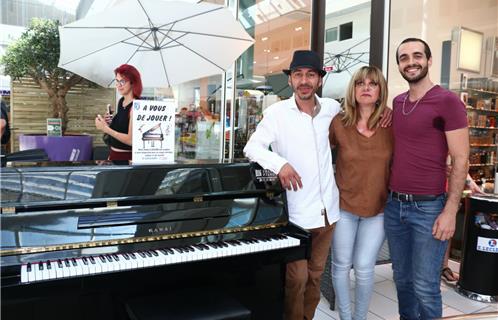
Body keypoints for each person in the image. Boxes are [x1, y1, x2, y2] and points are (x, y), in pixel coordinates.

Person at [244, 50, 341, 320]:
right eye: (298, 75)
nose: (304, 80)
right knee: (296, 279)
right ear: (291, 80)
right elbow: (252, 147)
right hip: (296, 214)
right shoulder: (277, 113)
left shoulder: (332, 109)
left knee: (315, 277)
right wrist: (280, 164)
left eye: (310, 74)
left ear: (319, 80)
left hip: (327, 212)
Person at [385, 38, 469, 319]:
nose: (411, 62)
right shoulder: (397, 103)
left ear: (429, 60)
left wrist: (450, 211)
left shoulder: (448, 101)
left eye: (417, 56)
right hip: (395, 206)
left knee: (425, 285)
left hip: (429, 208)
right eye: (404, 57)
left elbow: (460, 159)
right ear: (399, 64)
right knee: (402, 281)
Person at [329, 66, 392, 320]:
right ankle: (346, 317)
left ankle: (360, 318)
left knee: (365, 267)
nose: (366, 88)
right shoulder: (338, 123)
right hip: (343, 206)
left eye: (373, 84)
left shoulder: (392, 124)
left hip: (378, 209)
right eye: (360, 83)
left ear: (380, 91)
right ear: (353, 90)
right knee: (341, 265)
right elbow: (316, 154)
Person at [95, 64, 142, 162]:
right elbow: (121, 129)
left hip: (127, 160)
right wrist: (110, 123)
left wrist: (106, 129)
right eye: (117, 81)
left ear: (133, 82)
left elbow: (131, 140)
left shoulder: (137, 107)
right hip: (113, 156)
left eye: (123, 81)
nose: (118, 85)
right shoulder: (121, 102)